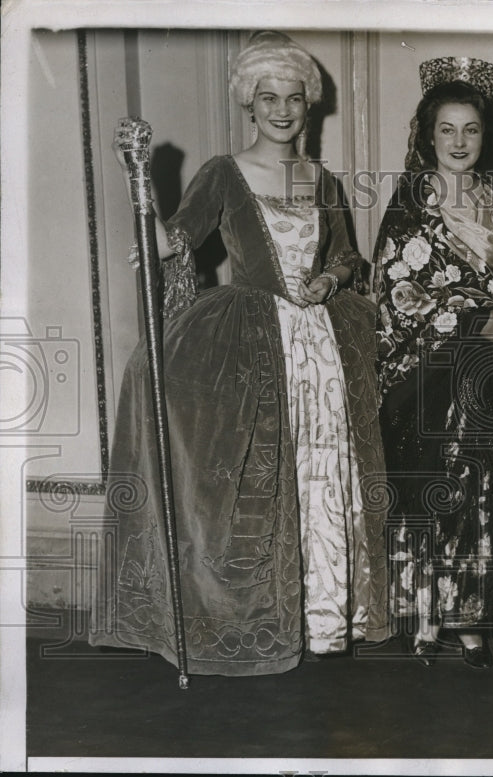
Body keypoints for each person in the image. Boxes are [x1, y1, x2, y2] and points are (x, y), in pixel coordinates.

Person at [89, 31, 389, 676]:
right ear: (248, 105)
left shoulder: (322, 178)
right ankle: (253, 614)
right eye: (268, 97)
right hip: (252, 338)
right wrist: (153, 221)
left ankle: (323, 617)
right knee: (260, 472)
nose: (282, 110)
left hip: (322, 348)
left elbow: (346, 255)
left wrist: (331, 281)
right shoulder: (223, 171)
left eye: (294, 99)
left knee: (322, 469)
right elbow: (182, 234)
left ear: (309, 106)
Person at [374, 57, 493, 669]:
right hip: (442, 377)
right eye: (447, 130)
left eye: (471, 130)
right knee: (456, 494)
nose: (459, 143)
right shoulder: (412, 203)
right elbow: (395, 292)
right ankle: (451, 620)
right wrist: (468, 316)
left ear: (488, 137)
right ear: (427, 136)